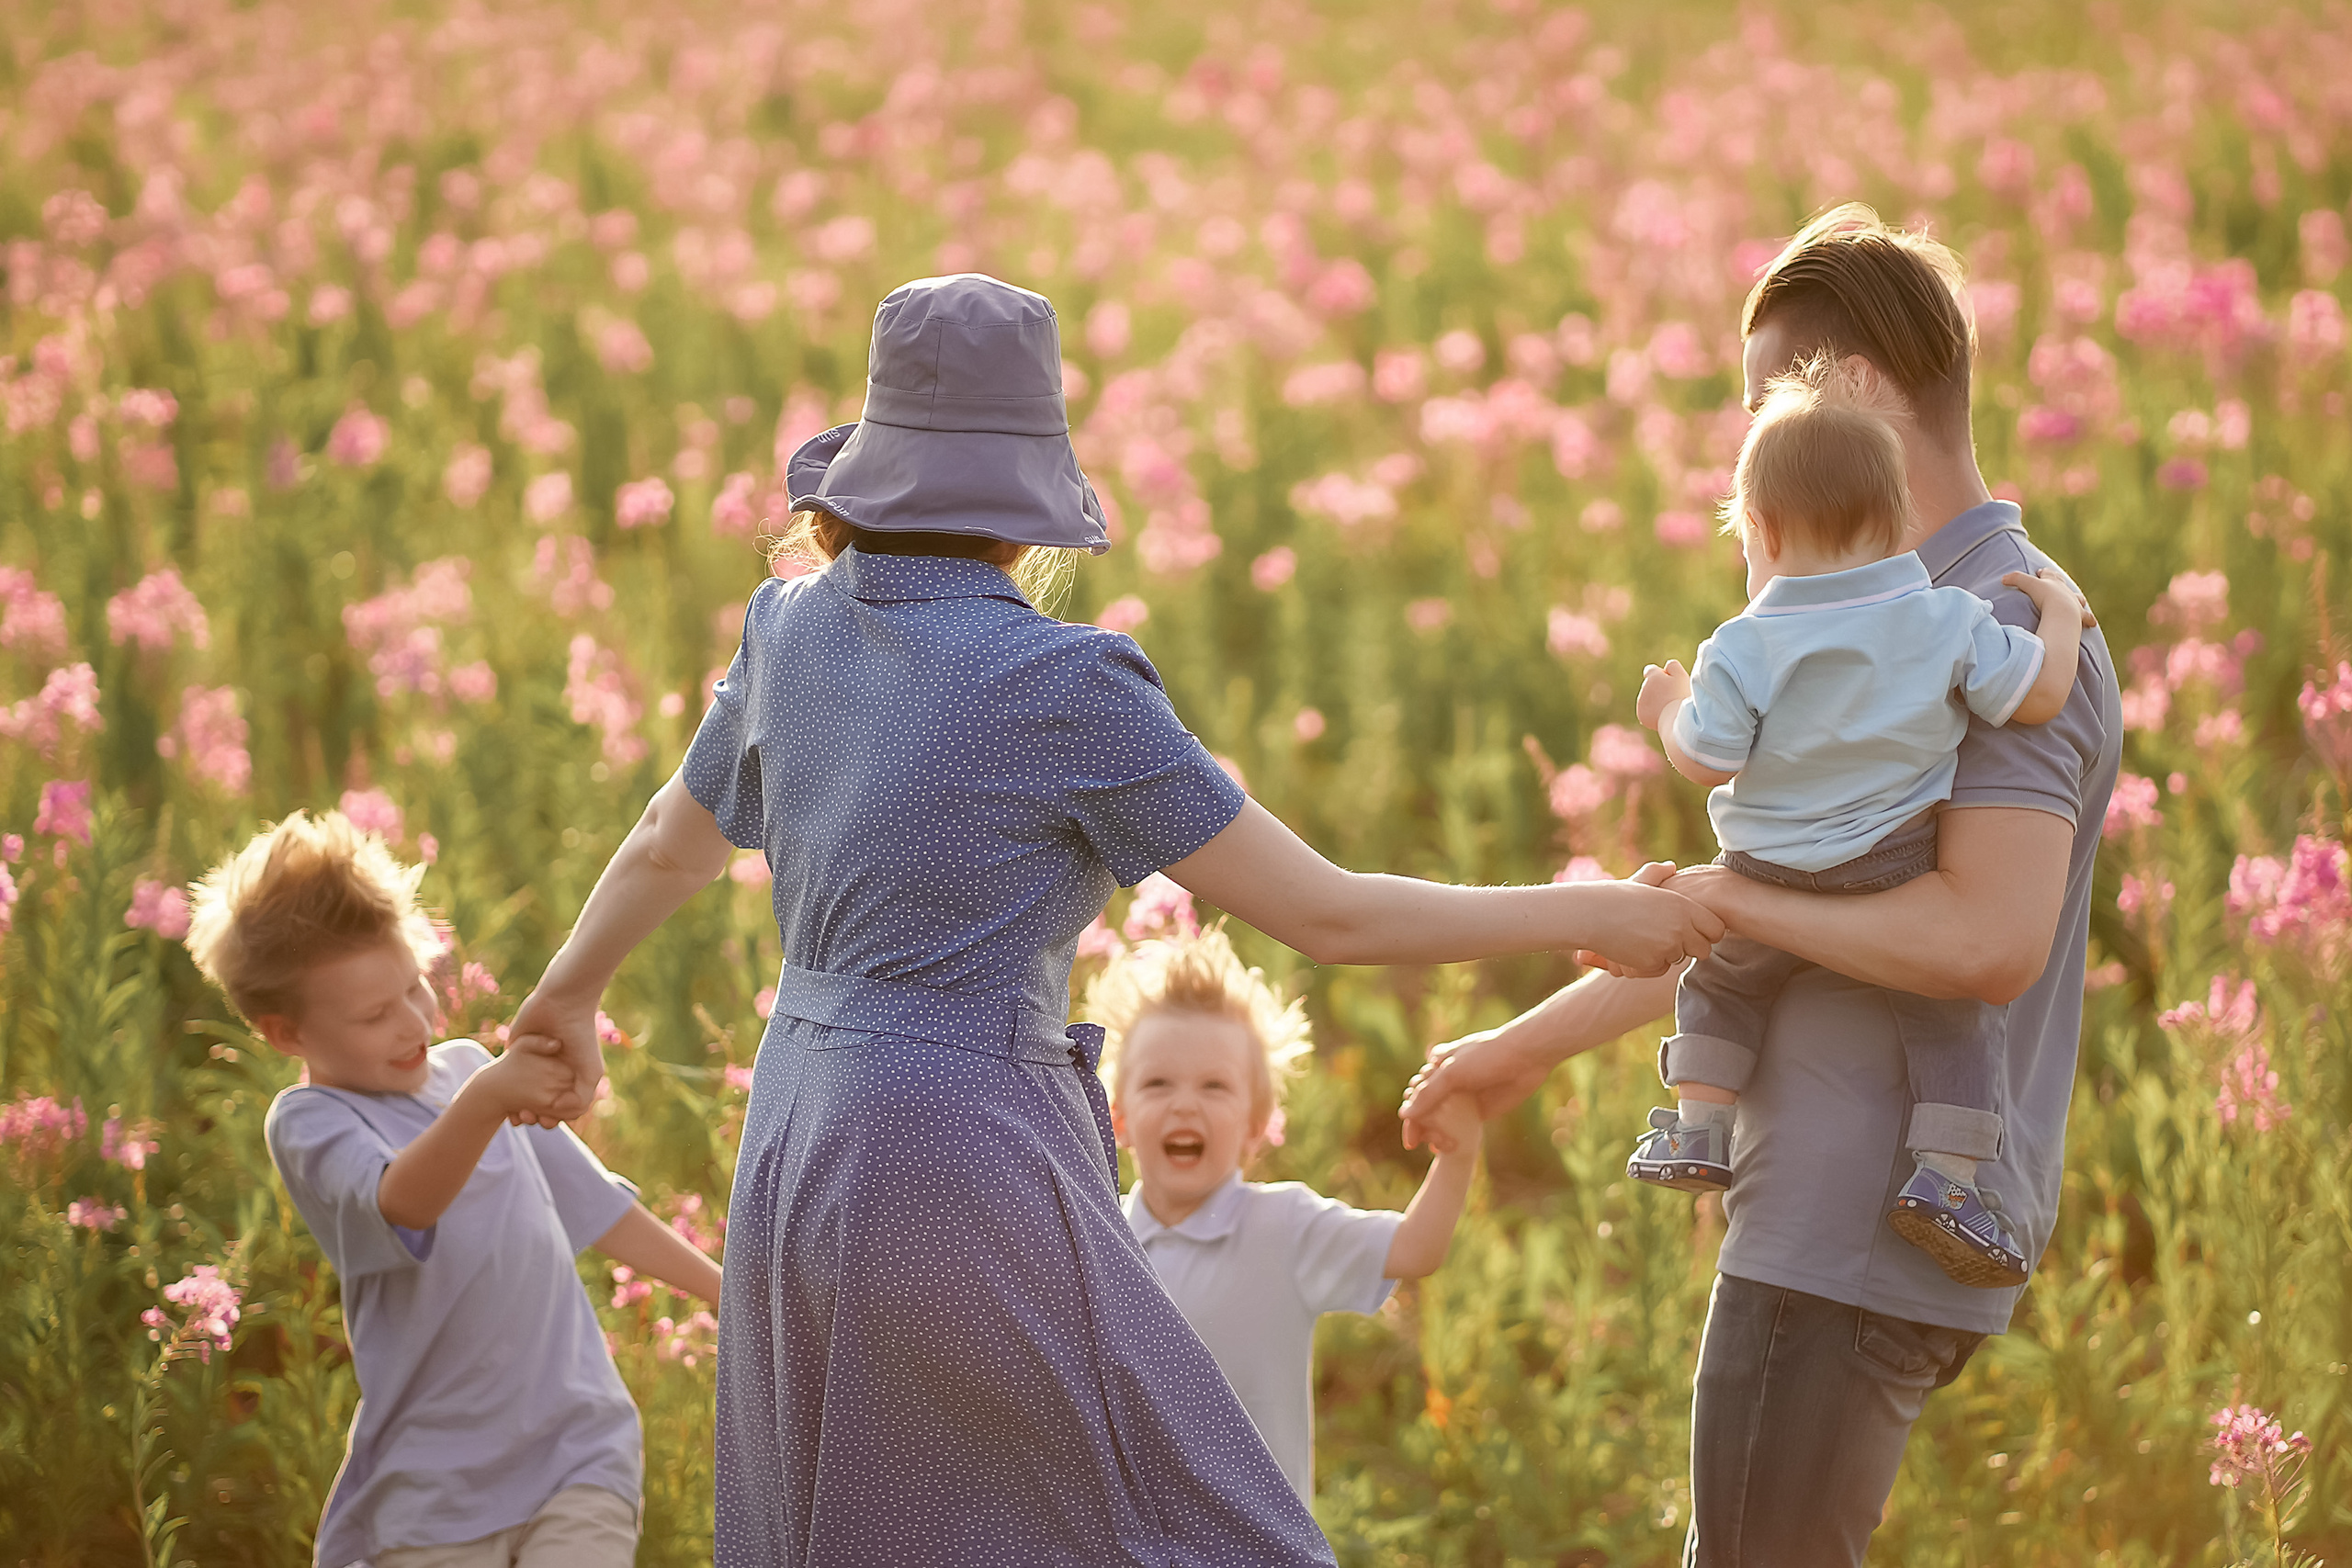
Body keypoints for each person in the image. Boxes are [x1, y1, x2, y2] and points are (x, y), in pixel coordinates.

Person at [502, 273, 1722, 1567]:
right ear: (1028, 497)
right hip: (957, 1146)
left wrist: (566, 994)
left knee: (865, 1519)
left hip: (797, 1134)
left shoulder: (786, 625)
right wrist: (1590, 907)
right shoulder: (1063, 682)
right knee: (1178, 1524)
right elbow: (1329, 914)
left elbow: (667, 841)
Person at [1401, 205, 2121, 1567]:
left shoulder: (2000, 623)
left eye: (1758, 408)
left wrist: (1739, 906)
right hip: (1821, 1228)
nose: (1745, 454)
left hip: (1855, 1225)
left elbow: (1984, 939)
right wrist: (1516, 1052)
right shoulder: (1876, 616)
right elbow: (1780, 905)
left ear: (1853, 389)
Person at [1621, 352, 2092, 1292]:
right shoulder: (1947, 617)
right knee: (1949, 1017)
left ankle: (1698, 1126)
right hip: (1890, 861)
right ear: (1898, 519)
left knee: (1724, 978)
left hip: (1764, 864)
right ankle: (1947, 1178)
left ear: (1760, 529)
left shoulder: (1743, 643)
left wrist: (1667, 710)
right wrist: (2060, 616)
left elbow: (1708, 754)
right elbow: (2038, 697)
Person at [183, 809, 723, 1568]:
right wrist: (489, 1098)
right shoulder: (310, 1122)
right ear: (287, 1034)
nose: (414, 1022)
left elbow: (599, 1207)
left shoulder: (469, 1071)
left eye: (415, 987)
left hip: (578, 1447)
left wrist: (730, 1296)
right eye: (375, 1014)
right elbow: (403, 1201)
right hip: (435, 1490)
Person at [1093, 928, 1482, 1501]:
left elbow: (1416, 1248)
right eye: (1157, 1083)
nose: (1184, 1104)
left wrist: (1457, 1155)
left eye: (1214, 1086)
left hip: (1257, 1539)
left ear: (1256, 1126)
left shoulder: (1283, 1228)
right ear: (1119, 1118)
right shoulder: (1099, 1242)